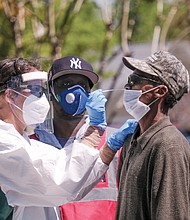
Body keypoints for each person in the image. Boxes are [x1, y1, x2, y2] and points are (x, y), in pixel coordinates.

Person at [0, 57, 127, 220]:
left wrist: (108, 149)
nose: (41, 98)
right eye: (35, 90)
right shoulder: (5, 144)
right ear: (10, 95)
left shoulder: (28, 144)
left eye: (42, 90)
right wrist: (94, 131)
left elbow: (74, 185)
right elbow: (60, 181)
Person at [31, 56, 137, 220]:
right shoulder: (31, 145)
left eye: (83, 85)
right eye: (66, 84)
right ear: (49, 91)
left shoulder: (114, 143)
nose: (75, 91)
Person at [105, 50, 190, 219]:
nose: (127, 87)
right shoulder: (132, 139)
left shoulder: (168, 145)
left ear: (160, 91)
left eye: (134, 81)